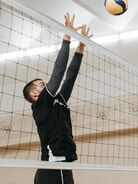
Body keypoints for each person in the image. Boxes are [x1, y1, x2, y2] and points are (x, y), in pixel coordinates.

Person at [23, 13, 93, 184]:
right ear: (35, 94)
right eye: (41, 84)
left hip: (60, 167)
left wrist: (81, 48)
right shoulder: (40, 105)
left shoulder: (58, 102)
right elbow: (58, 72)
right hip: (54, 167)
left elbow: (69, 78)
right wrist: (67, 36)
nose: (45, 84)